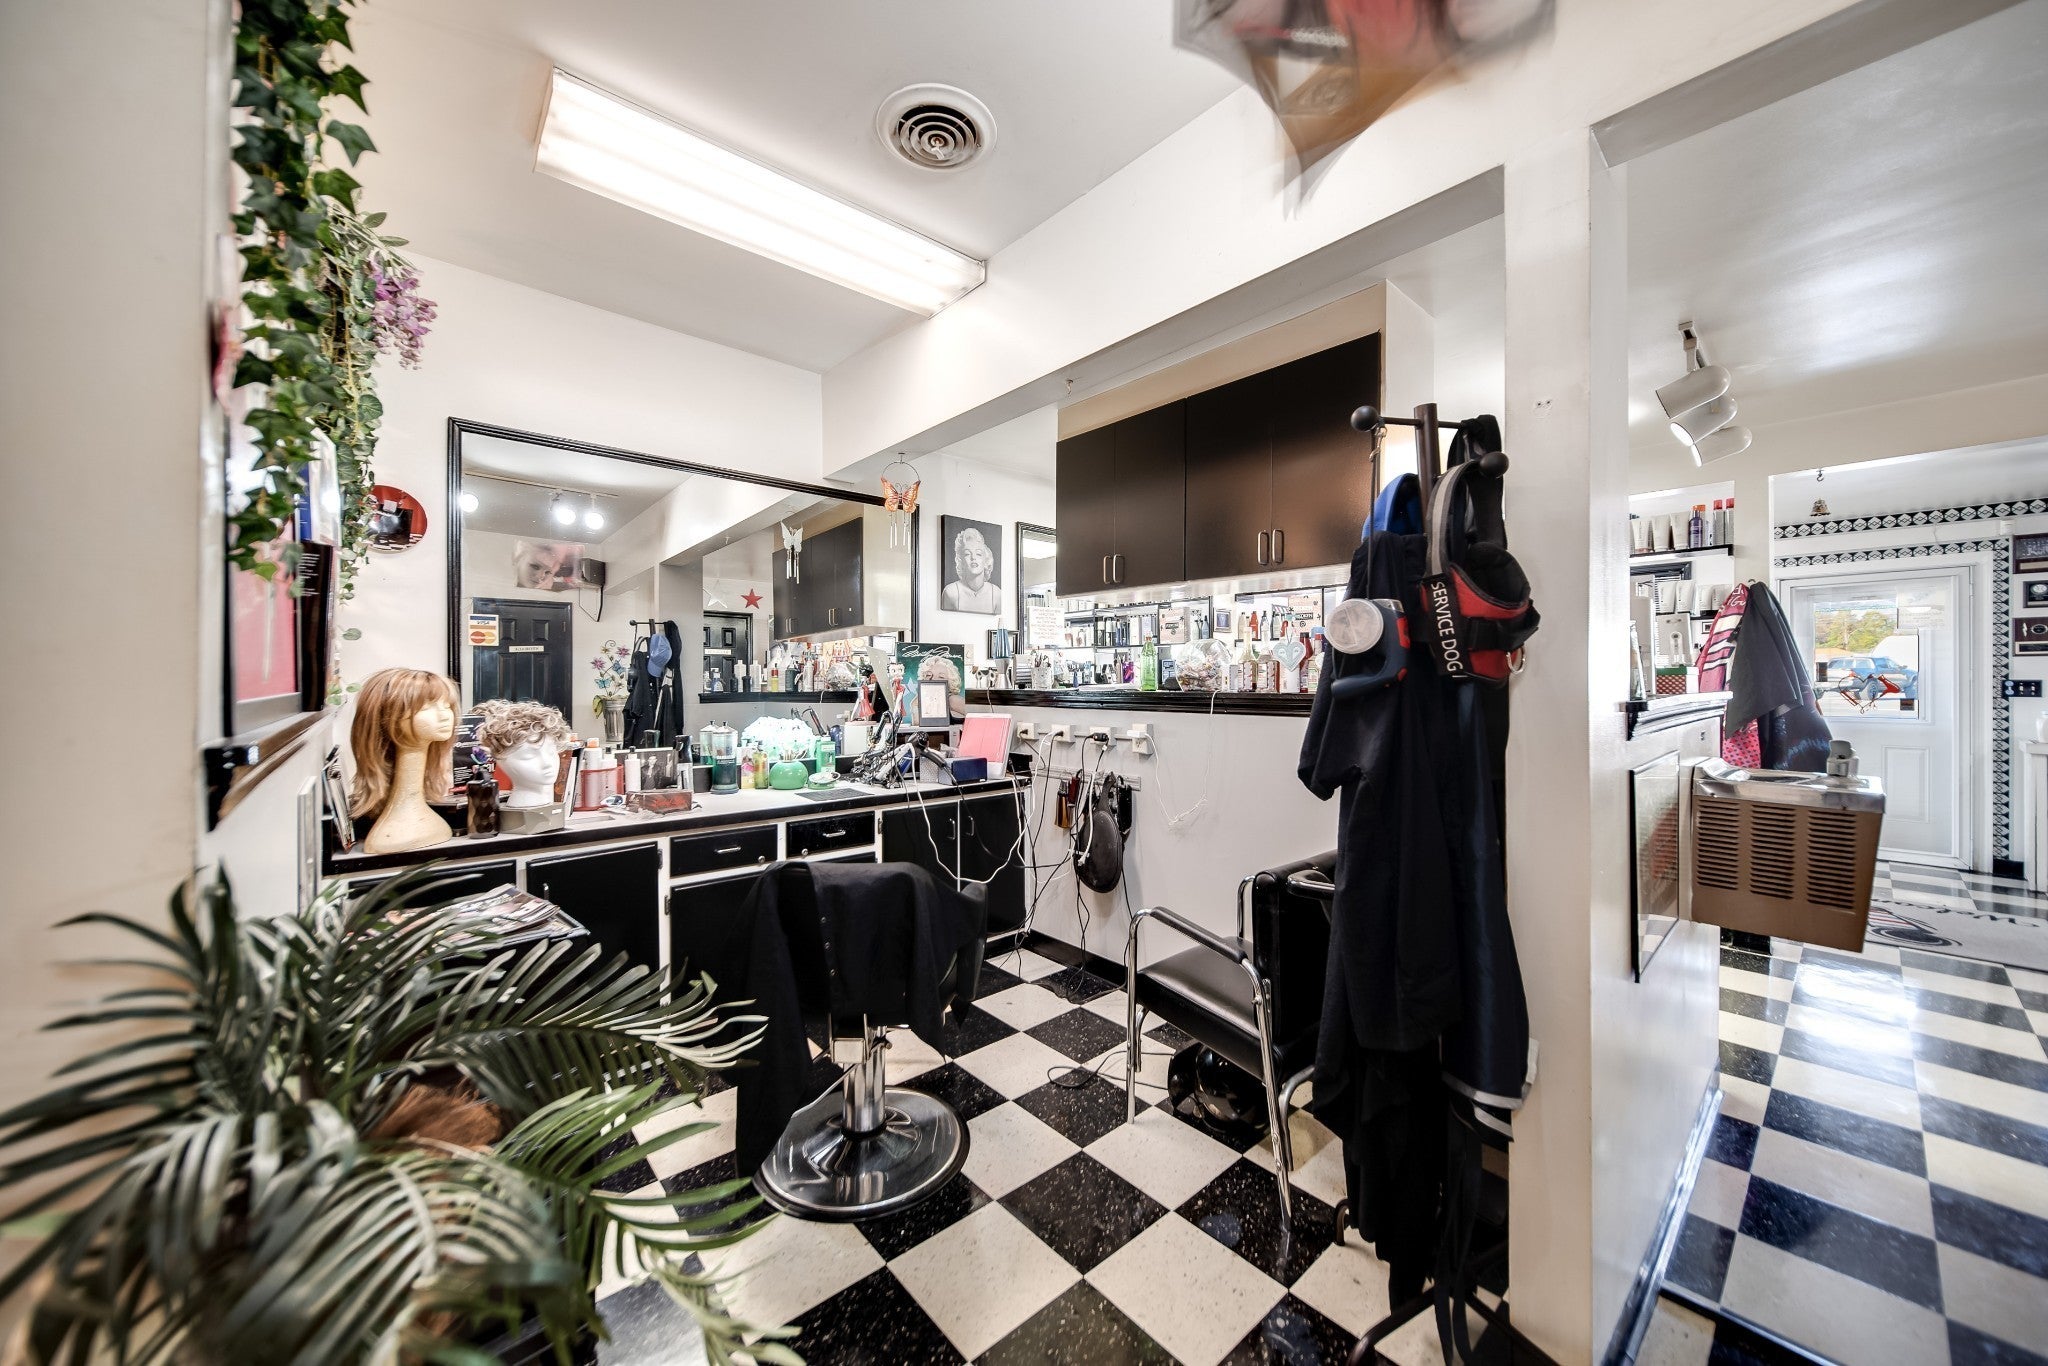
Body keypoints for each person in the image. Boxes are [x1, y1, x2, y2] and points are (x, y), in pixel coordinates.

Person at [940, 526, 1001, 613]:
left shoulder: (996, 593)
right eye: (967, 554)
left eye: (978, 554)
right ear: (961, 561)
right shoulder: (950, 592)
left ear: (986, 560)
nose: (973, 558)